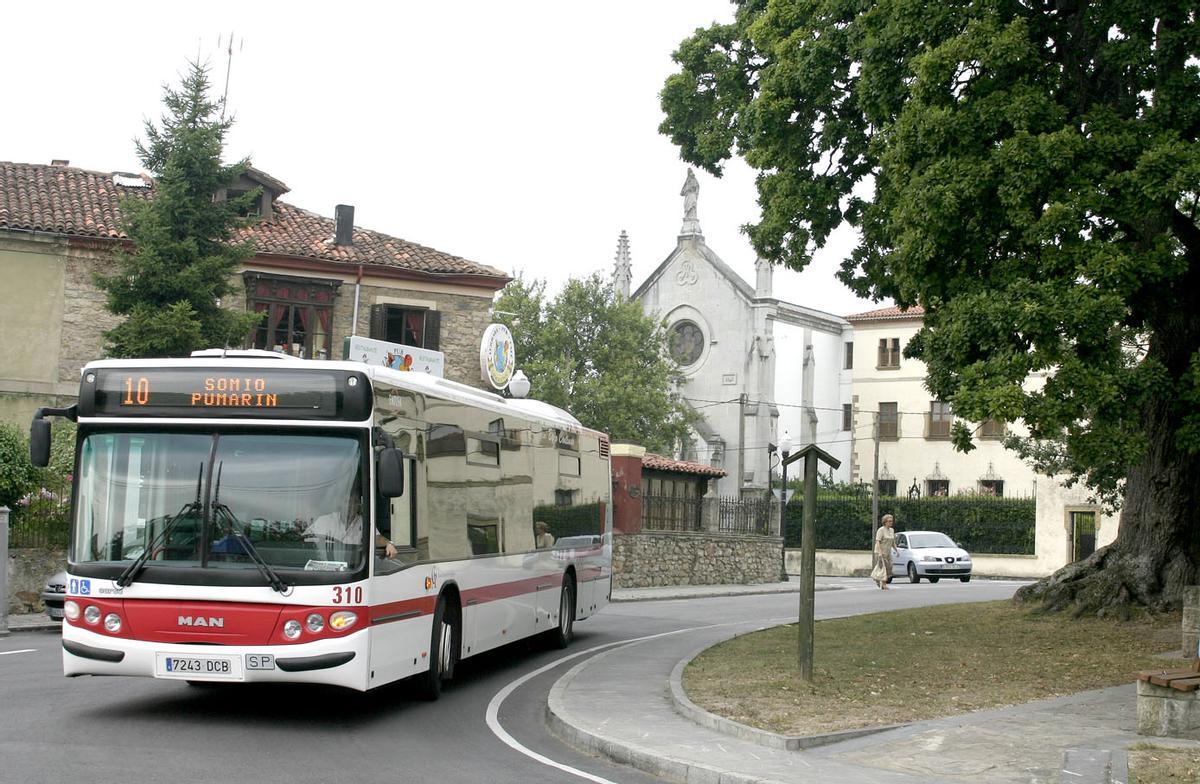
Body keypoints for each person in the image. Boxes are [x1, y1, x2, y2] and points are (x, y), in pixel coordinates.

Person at [872, 514, 899, 589]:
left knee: (889, 567)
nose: (891, 522)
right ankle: (884, 584)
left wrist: (897, 551)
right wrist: (880, 553)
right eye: (889, 521)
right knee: (883, 568)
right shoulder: (881, 530)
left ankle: (877, 578)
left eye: (892, 521)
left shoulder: (892, 530)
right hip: (880, 552)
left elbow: (892, 542)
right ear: (885, 522)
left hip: (888, 552)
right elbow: (878, 542)